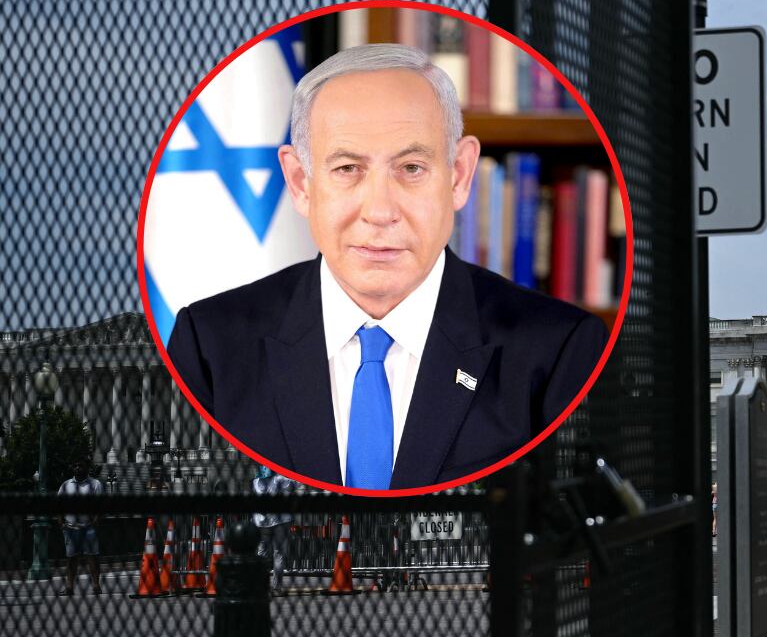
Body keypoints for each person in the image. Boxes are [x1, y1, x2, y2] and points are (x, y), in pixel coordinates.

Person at [164, 45, 608, 490]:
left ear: (458, 176)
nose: (379, 211)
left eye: (411, 168)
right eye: (347, 168)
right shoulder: (210, 346)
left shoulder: (559, 351)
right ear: (301, 183)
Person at [56, 469, 105, 595]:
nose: (78, 468)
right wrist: (60, 521)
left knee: (92, 557)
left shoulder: (95, 484)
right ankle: (69, 587)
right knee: (71, 558)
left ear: (86, 467)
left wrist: (96, 521)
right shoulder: (66, 485)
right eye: (76, 465)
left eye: (81, 465)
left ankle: (96, 585)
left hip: (89, 527)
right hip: (70, 527)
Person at [251, 468, 294, 588]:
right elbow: (293, 485)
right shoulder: (279, 478)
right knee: (279, 553)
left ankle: (260, 585)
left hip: (262, 522)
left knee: (262, 553)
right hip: (281, 520)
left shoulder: (256, 482)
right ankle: (277, 586)